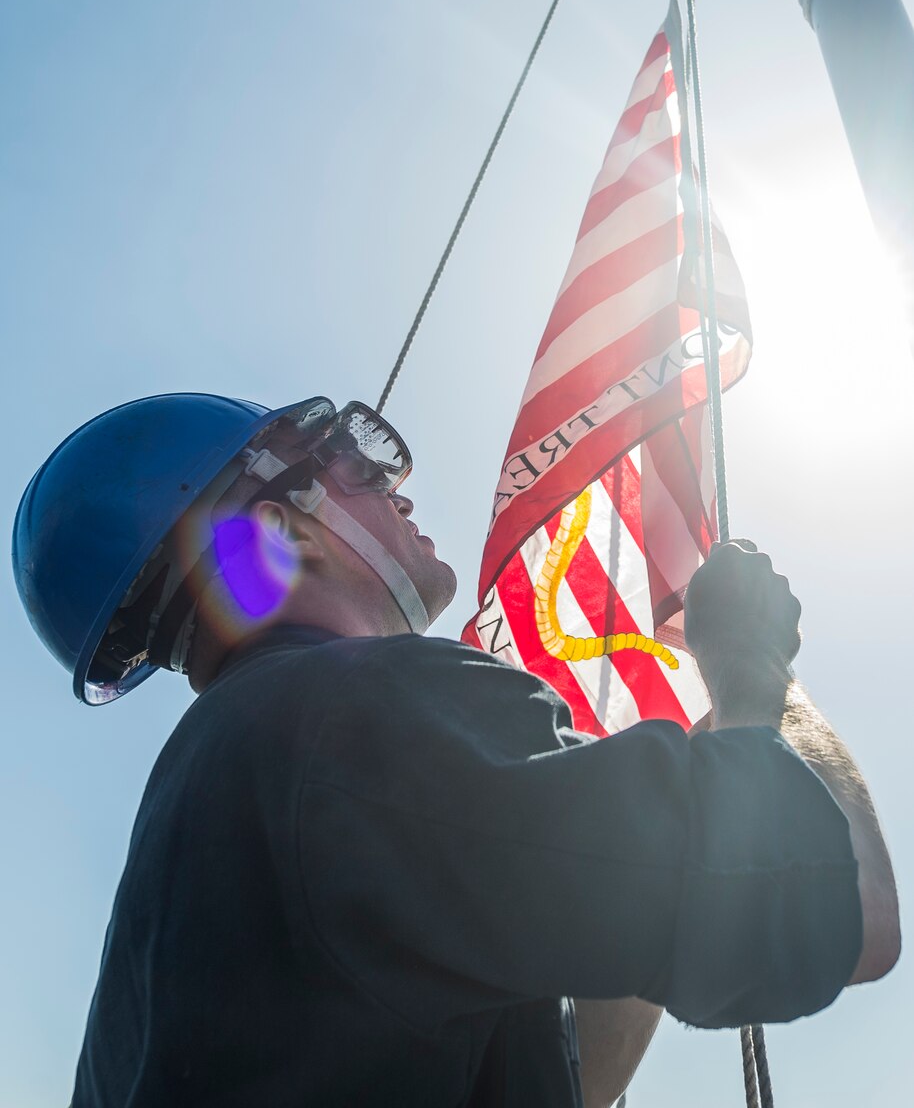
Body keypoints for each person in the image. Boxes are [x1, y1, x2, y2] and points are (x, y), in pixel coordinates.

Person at [13, 392, 899, 1108]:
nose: (397, 485)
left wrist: (650, 839)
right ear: (280, 535)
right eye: (352, 459)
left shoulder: (220, 807)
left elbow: (552, 1079)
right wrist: (753, 664)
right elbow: (848, 905)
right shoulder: (359, 717)